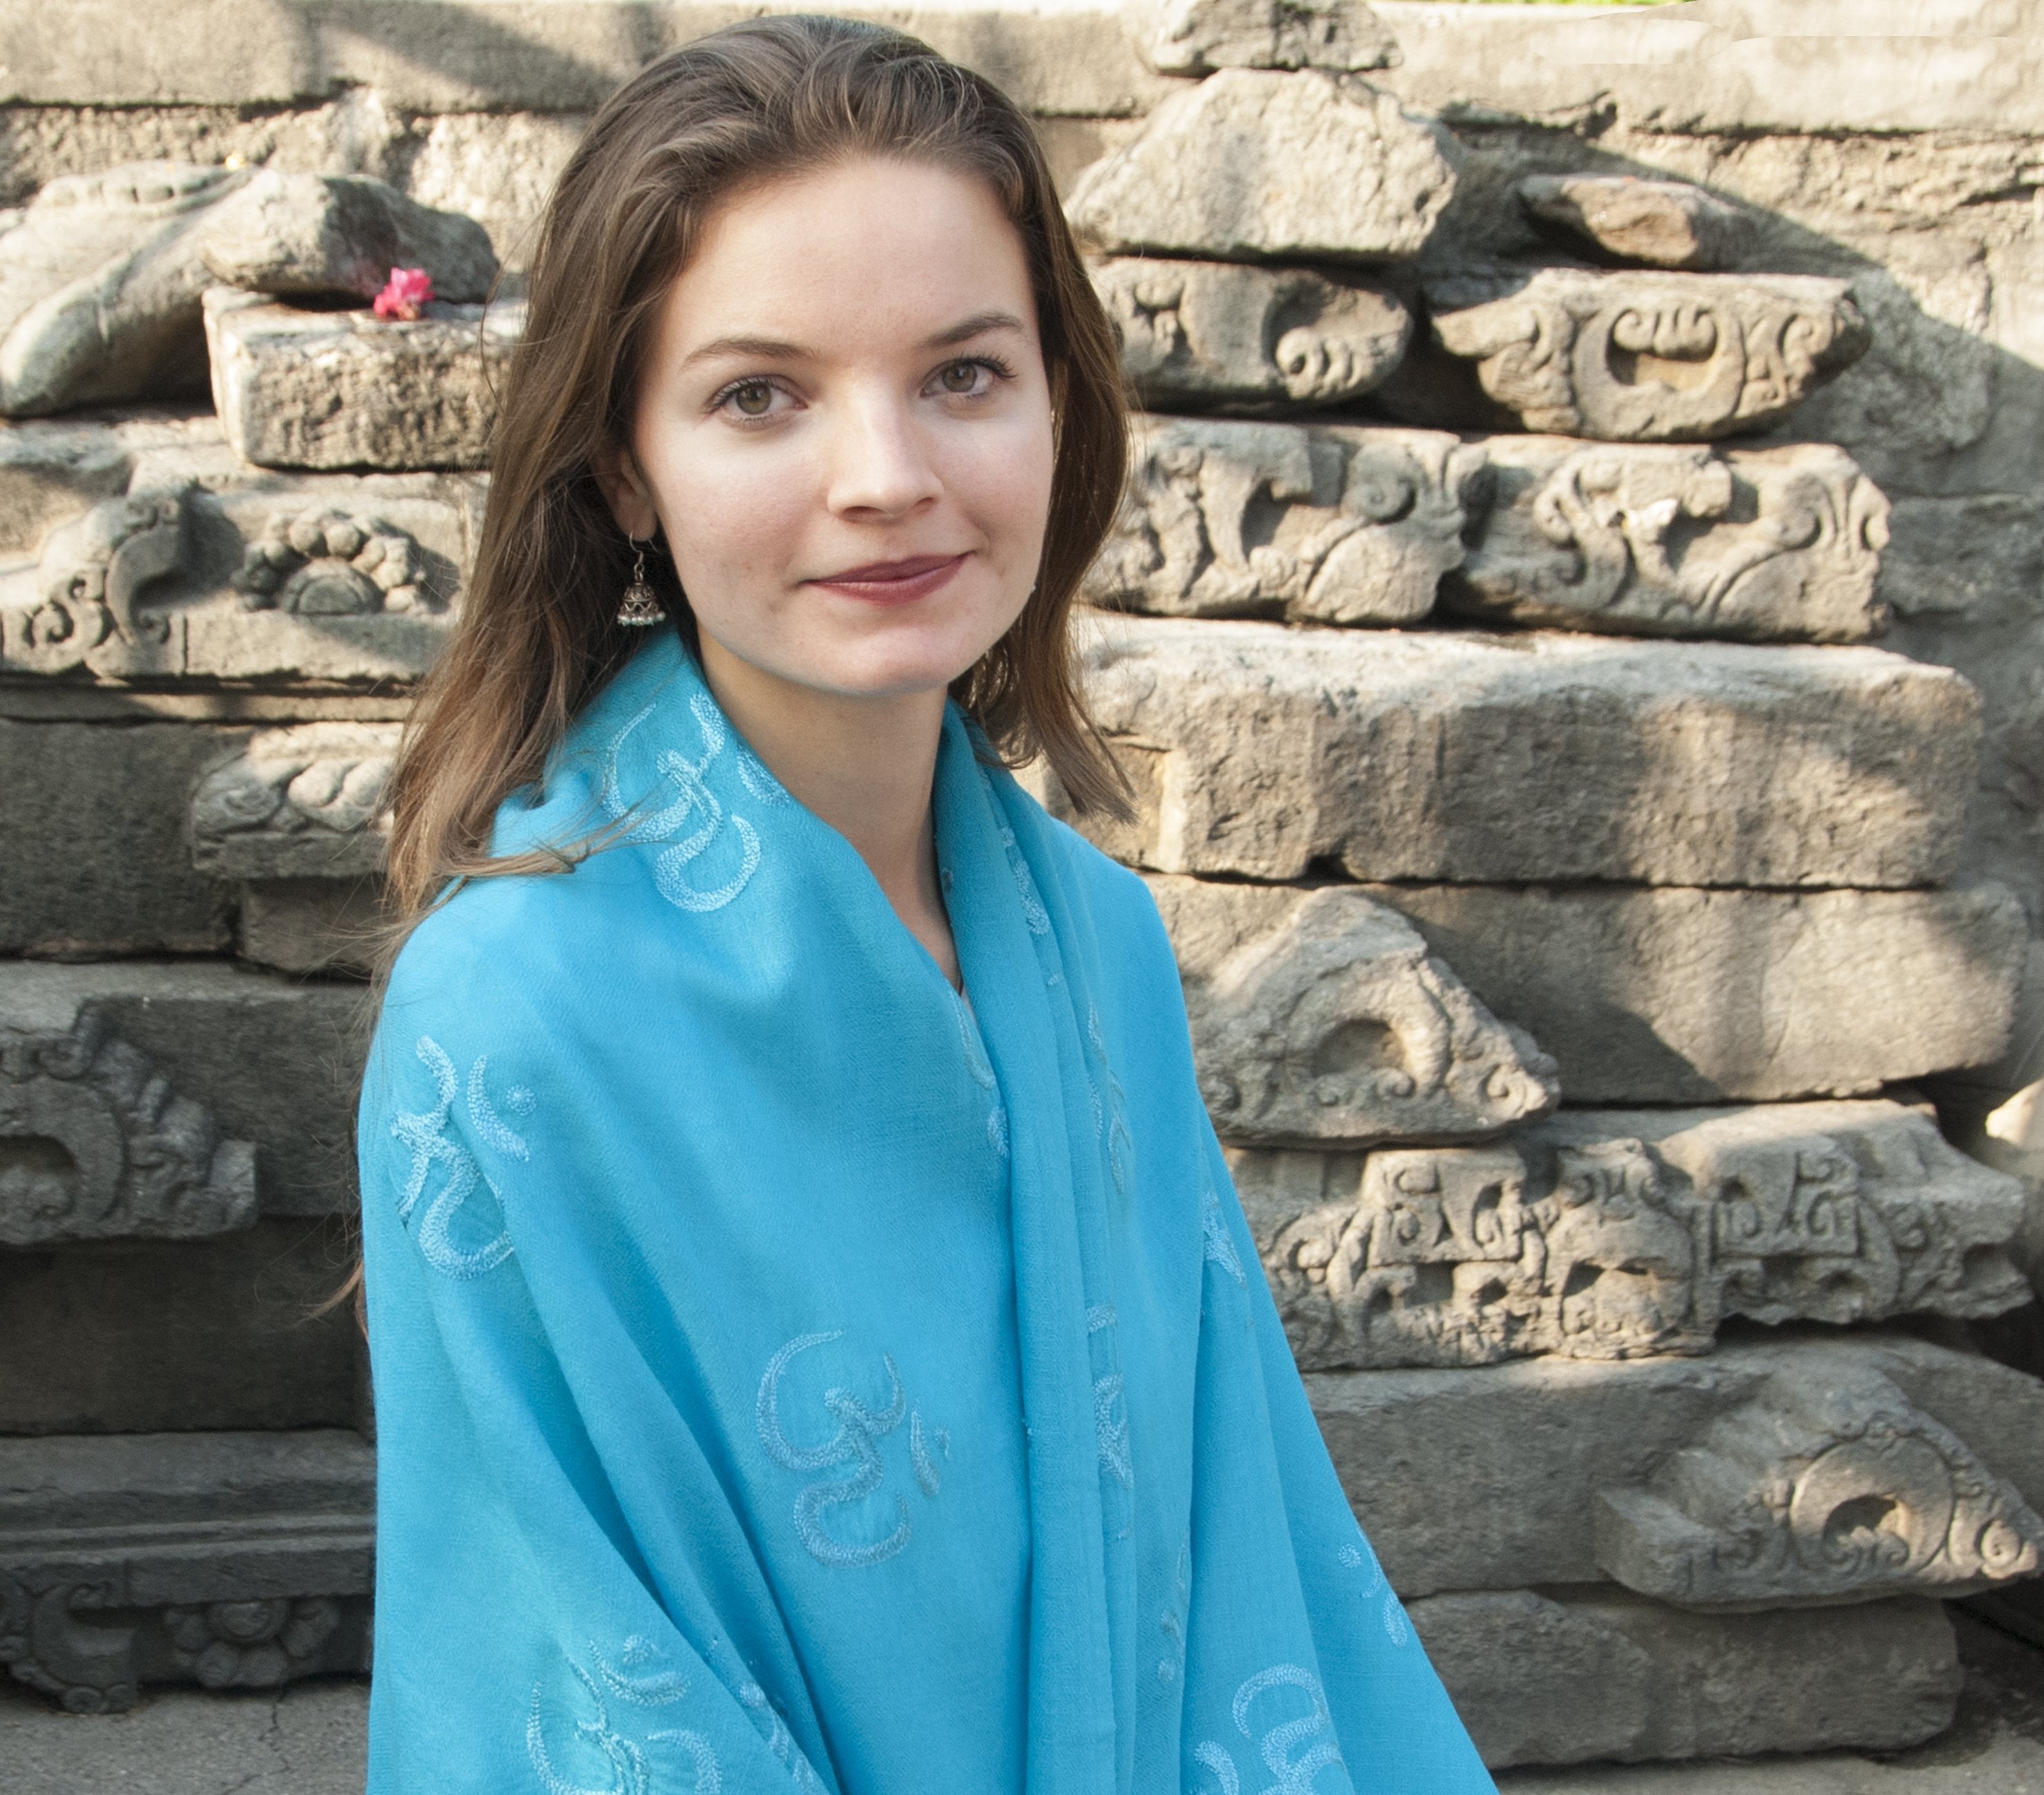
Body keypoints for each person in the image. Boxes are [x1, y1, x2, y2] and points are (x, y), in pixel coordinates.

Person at [356, 18, 1495, 1792]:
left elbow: (1246, 1554)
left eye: (963, 374)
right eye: (759, 395)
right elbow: (567, 1666)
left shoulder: (1098, 947)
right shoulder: (516, 1013)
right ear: (622, 469)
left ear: (1061, 402)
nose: (885, 474)